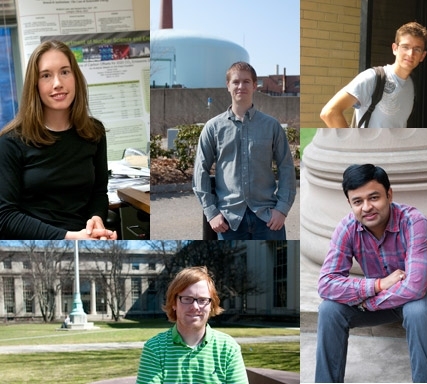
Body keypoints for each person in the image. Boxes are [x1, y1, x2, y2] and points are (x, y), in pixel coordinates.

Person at [315, 164, 427, 382]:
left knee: (416, 312)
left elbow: (415, 286)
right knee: (329, 310)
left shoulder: (414, 222)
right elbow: (326, 284)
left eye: (374, 197)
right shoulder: (347, 228)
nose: (367, 207)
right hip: (382, 292)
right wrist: (377, 285)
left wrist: (368, 302)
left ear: (389, 194)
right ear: (350, 203)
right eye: (358, 202)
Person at [0, 40, 117, 240]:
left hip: (85, 237)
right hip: (38, 242)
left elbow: (99, 192)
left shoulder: (93, 132)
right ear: (34, 85)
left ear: (75, 78)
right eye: (46, 75)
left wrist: (96, 219)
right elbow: (5, 216)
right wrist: (68, 237)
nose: (58, 83)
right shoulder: (11, 142)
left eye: (65, 72)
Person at [193, 61, 296, 240]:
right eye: (236, 82)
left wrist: (282, 209)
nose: (241, 86)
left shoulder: (272, 126)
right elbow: (200, 170)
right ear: (228, 86)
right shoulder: (213, 127)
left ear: (255, 86)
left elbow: (286, 167)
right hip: (227, 220)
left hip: (268, 218)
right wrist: (211, 212)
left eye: (246, 81)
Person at [136, 266, 249, 384]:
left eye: (202, 300)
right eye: (187, 298)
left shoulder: (228, 348)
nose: (195, 306)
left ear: (211, 305)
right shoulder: (154, 348)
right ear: (174, 303)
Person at [320, 22, 427, 128]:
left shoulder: (411, 85)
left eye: (417, 49)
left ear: (422, 56)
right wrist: (351, 143)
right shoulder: (373, 77)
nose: (410, 54)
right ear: (395, 49)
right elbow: (329, 113)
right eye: (405, 47)